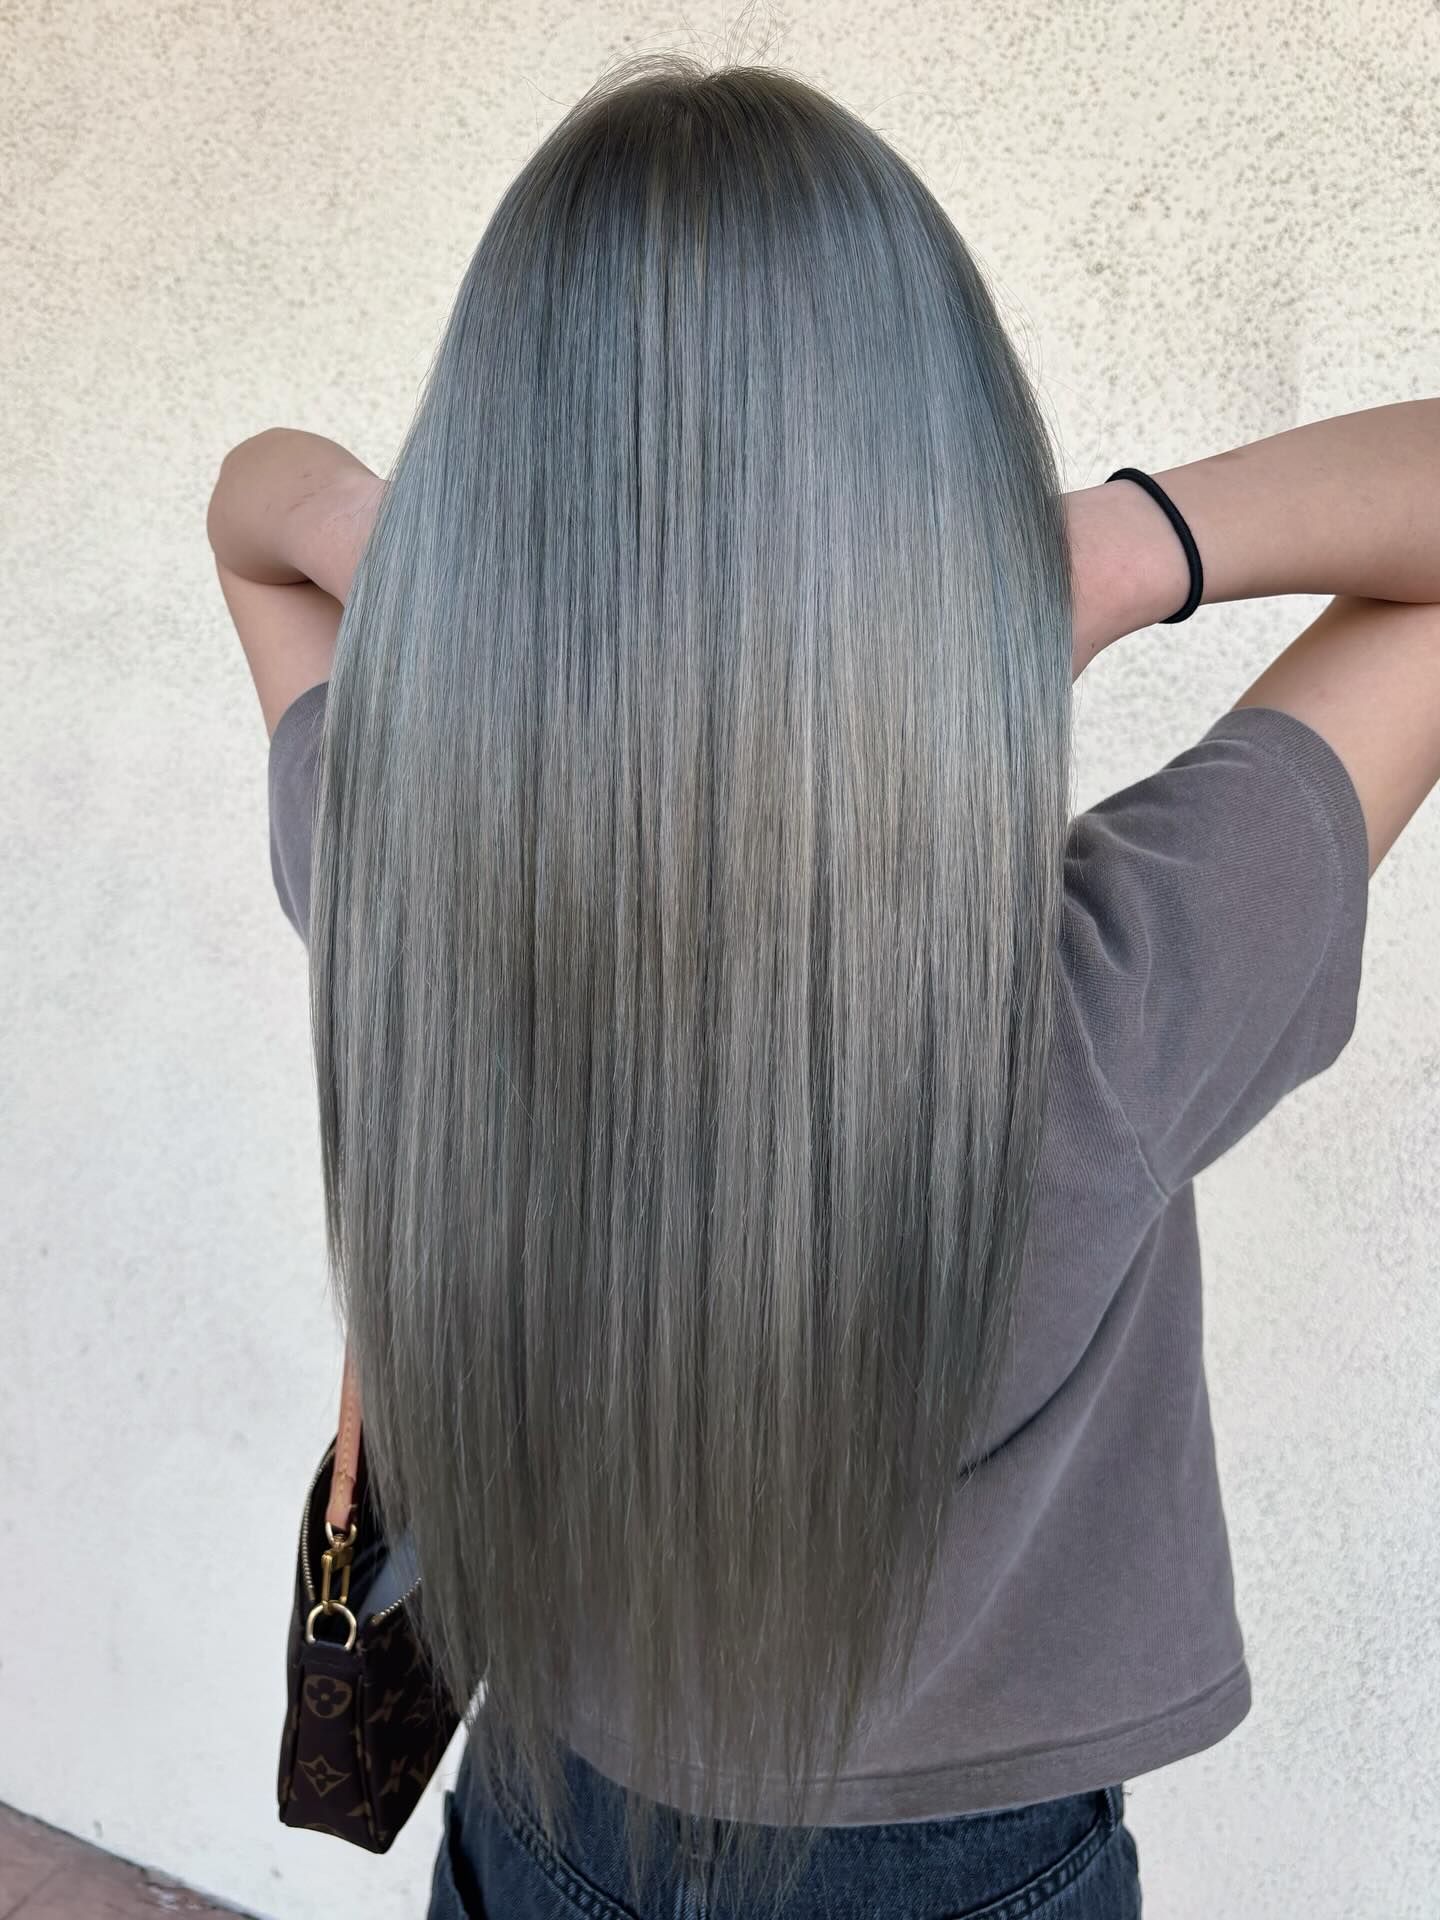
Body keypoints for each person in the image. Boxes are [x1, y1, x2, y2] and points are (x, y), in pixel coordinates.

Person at [208, 54, 1440, 1920]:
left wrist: (451, 581)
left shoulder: (398, 879)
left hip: (545, 1821)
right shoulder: (1116, 986)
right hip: (973, 1873)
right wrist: (1104, 553)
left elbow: (252, 508)